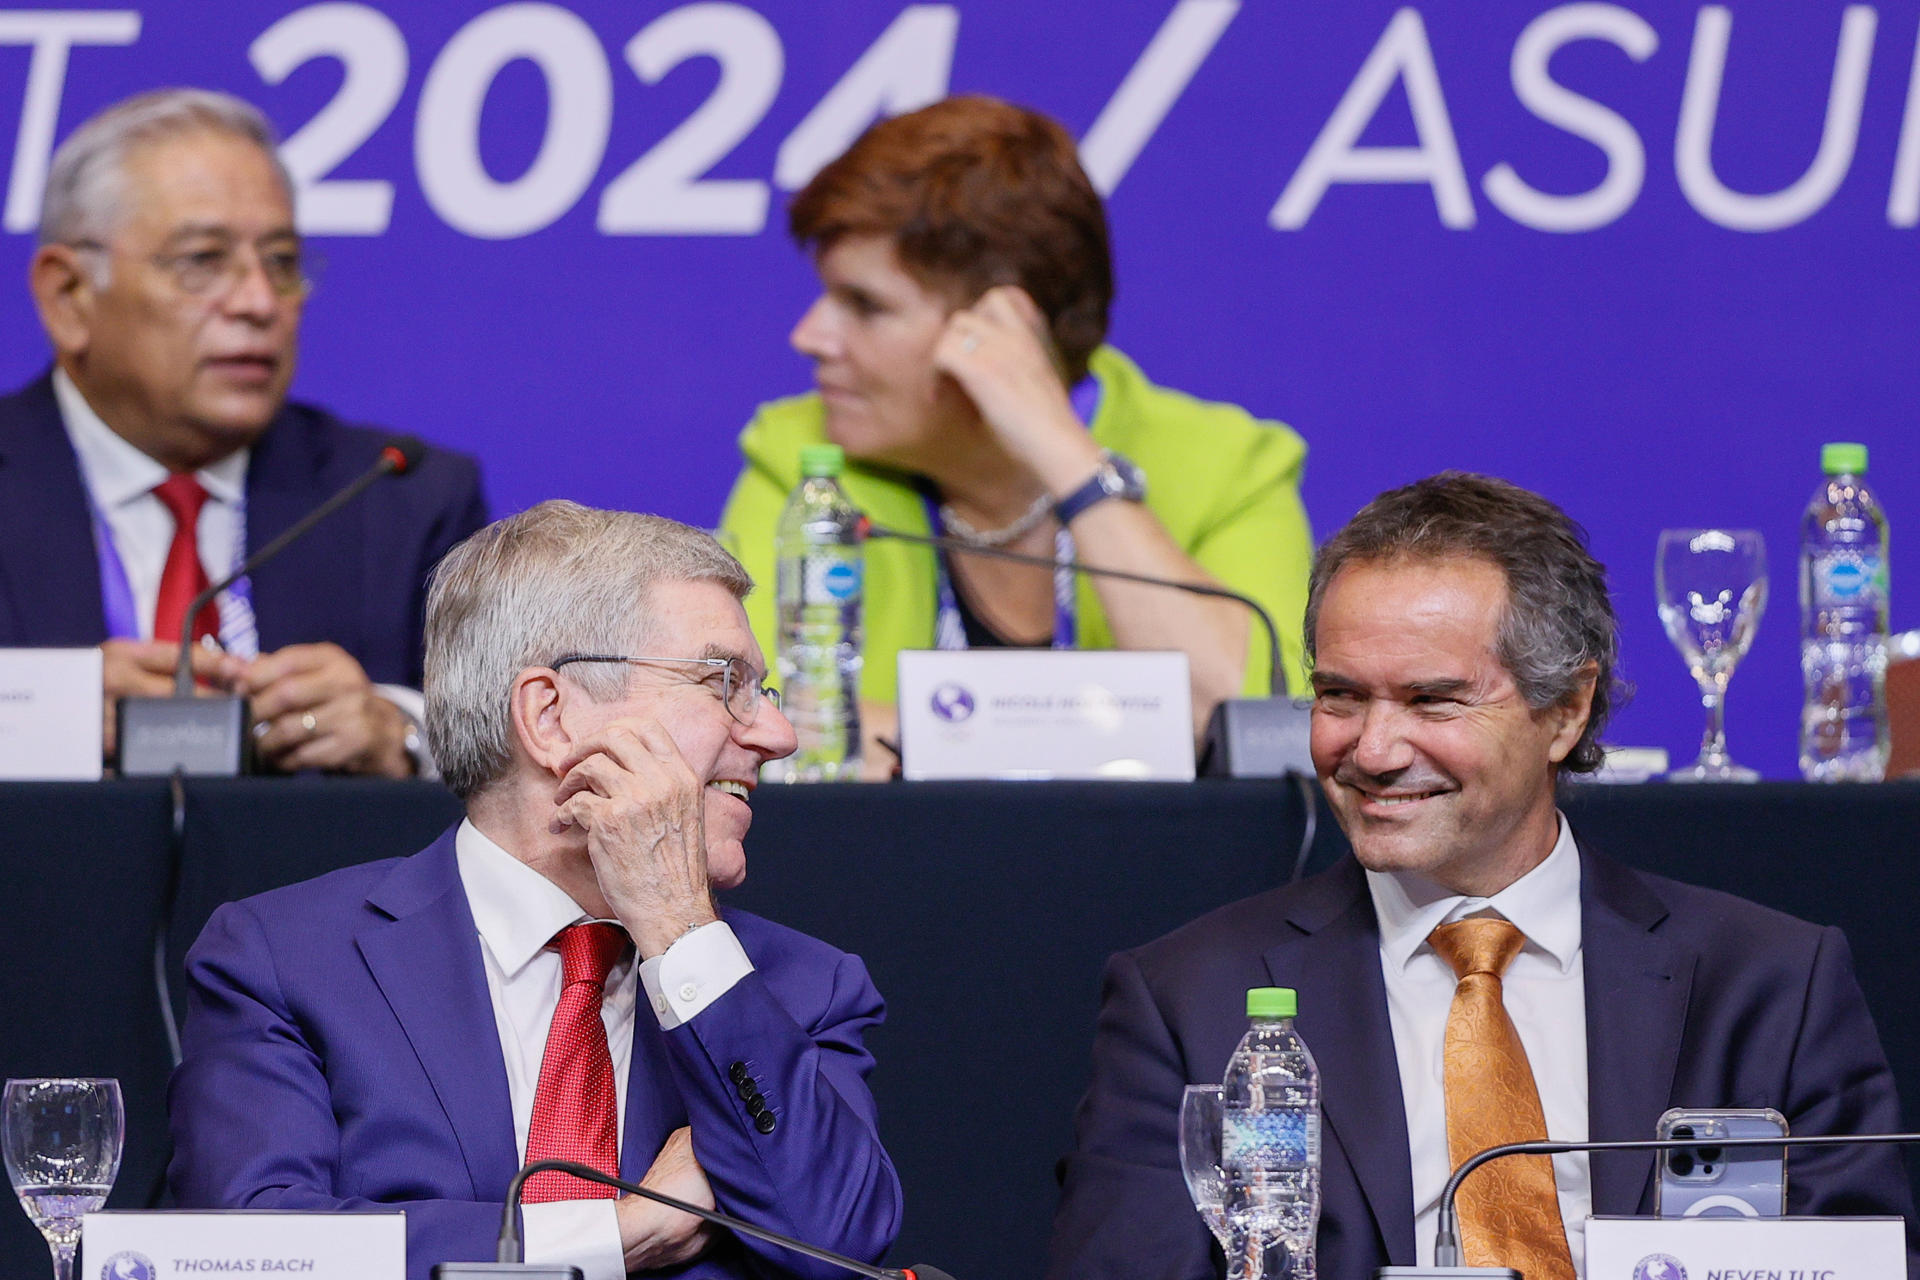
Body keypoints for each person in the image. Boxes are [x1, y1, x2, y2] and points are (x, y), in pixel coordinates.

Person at [1046, 473, 1916, 1280]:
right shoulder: (1186, 998)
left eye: (1433, 700)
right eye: (1340, 695)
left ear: (1566, 711)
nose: (1374, 751)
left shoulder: (1769, 984)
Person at [168, 501, 901, 1280]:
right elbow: (251, 1251)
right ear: (550, 717)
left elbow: (841, 1245)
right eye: (725, 682)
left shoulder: (800, 987)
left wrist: (680, 928)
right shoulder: (286, 961)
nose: (777, 736)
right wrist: (613, 1237)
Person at [717, 95, 1311, 764]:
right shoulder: (802, 457)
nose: (810, 336)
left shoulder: (1229, 465)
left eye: (866, 305)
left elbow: (1254, 731)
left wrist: (1065, 456)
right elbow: (752, 723)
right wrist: (1087, 738)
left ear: (1002, 330)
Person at [0, 88, 487, 775]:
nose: (259, 303)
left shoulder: (401, 497)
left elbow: (517, 763)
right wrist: (43, 713)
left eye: (282, 262)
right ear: (68, 296)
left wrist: (399, 734)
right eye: (202, 260)